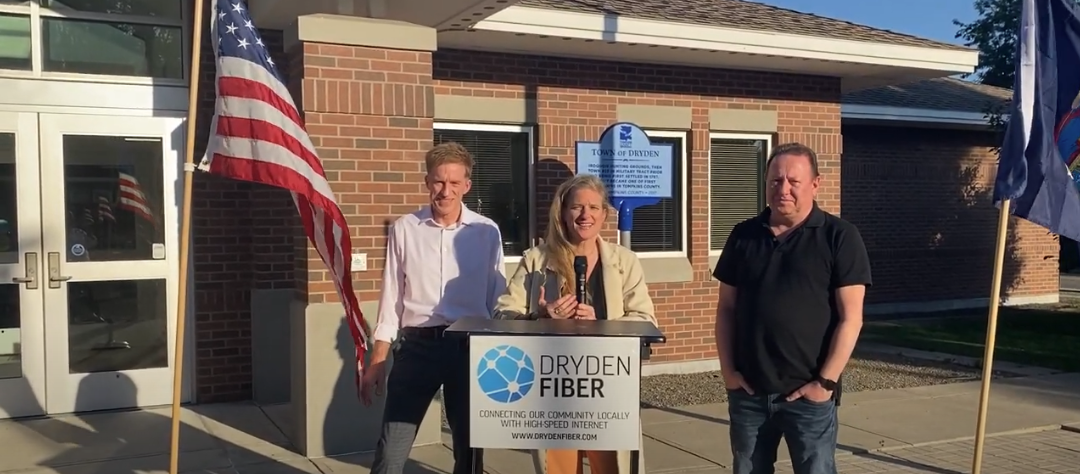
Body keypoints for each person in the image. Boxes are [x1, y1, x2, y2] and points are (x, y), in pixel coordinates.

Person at [712, 142, 872, 474]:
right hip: (749, 394)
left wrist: (824, 384)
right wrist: (729, 372)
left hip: (809, 396)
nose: (782, 189)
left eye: (793, 182)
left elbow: (851, 318)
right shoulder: (744, 236)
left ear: (815, 184)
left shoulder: (839, 237)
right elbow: (726, 309)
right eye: (775, 180)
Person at [493, 173, 656, 474]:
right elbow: (502, 315)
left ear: (604, 215)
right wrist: (539, 316)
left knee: (614, 468)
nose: (585, 215)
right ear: (563, 213)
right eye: (577, 207)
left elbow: (645, 320)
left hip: (608, 387)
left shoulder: (626, 261)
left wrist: (603, 321)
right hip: (553, 389)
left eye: (594, 208)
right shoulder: (536, 260)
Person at [362, 142, 506, 474]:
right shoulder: (404, 229)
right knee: (390, 453)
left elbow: (497, 299)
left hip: (468, 348)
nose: (445, 191)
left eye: (454, 183)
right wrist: (378, 358)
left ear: (467, 186)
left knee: (469, 454)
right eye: (439, 182)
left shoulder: (487, 232)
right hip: (417, 347)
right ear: (427, 182)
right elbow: (391, 299)